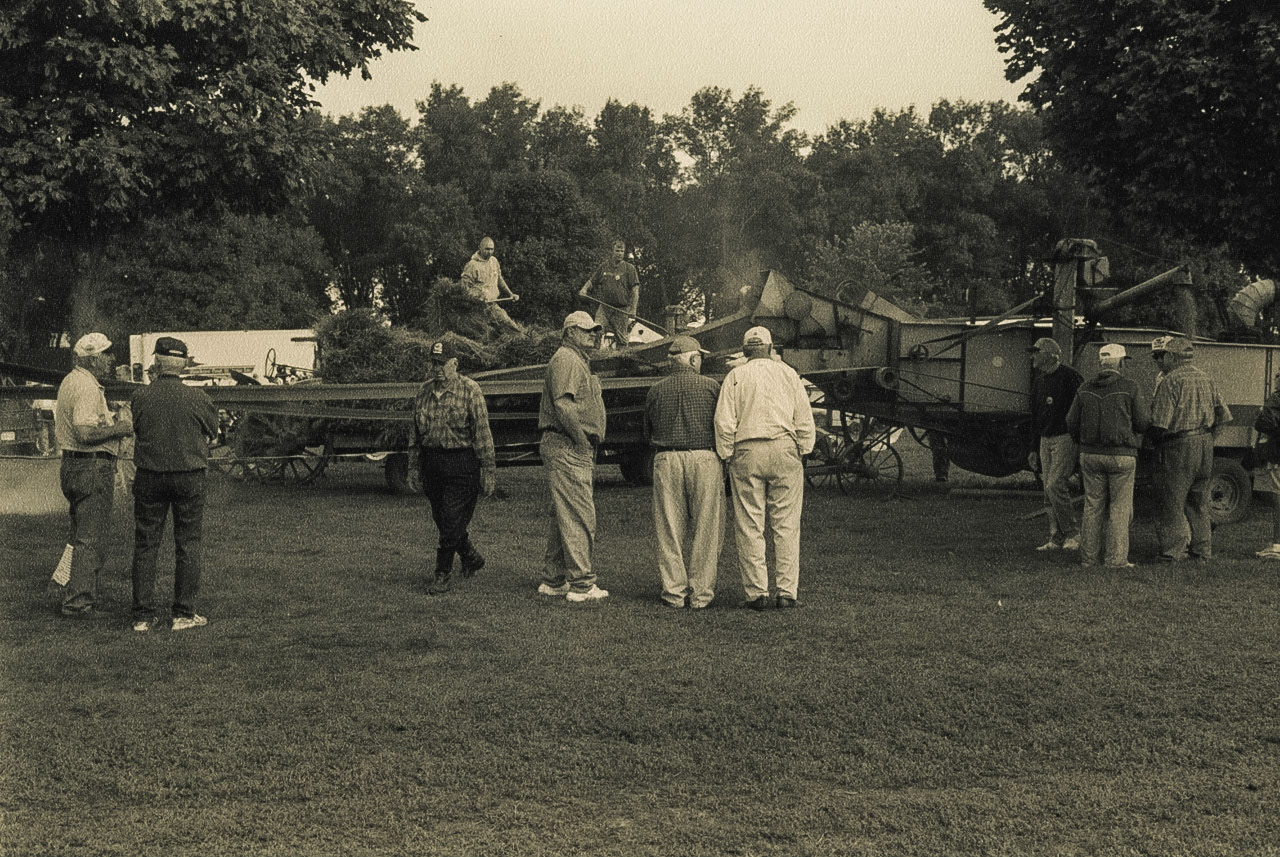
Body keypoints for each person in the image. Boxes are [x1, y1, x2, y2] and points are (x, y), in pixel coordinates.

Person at [714, 326, 816, 610]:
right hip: (784, 448)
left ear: (746, 351)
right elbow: (804, 417)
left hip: (748, 448)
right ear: (771, 349)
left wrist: (727, 454)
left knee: (749, 524)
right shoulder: (788, 374)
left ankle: (757, 593)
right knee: (786, 524)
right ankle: (786, 592)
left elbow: (724, 422)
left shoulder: (736, 376)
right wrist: (804, 448)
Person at [128, 337, 220, 631]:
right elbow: (213, 432)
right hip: (189, 475)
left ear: (156, 362)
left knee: (146, 544)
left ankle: (142, 616)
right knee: (188, 544)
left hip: (150, 475)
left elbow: (137, 429)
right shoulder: (199, 398)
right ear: (183, 364)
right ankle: (183, 613)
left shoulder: (140, 397)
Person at [53, 332, 133, 619]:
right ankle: (78, 603)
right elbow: (85, 433)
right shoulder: (87, 387)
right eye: (108, 354)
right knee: (91, 538)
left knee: (78, 536)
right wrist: (120, 428)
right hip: (91, 466)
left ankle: (69, 589)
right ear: (94, 358)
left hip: (73, 465)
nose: (112, 360)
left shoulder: (70, 381)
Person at [643, 335, 724, 609]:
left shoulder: (655, 390)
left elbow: (647, 430)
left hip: (666, 458)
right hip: (704, 457)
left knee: (669, 528)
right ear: (693, 359)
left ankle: (674, 592)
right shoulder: (711, 387)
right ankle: (701, 594)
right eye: (698, 357)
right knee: (707, 528)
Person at [412, 339, 497, 595]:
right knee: (442, 519)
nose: (437, 368)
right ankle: (470, 556)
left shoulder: (470, 390)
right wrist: (412, 467)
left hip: (461, 464)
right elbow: (414, 434)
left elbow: (482, 433)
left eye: (442, 363)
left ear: (455, 364)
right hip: (432, 463)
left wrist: (489, 469)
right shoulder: (423, 392)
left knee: (451, 519)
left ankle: (442, 572)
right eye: (433, 363)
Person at [537, 311, 609, 602]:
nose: (593, 335)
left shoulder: (576, 360)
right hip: (568, 444)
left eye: (595, 331)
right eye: (586, 330)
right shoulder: (566, 359)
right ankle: (581, 585)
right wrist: (581, 442)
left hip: (566, 444)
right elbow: (563, 406)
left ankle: (554, 580)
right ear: (569, 333)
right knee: (580, 514)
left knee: (564, 514)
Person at [1065, 343, 1151, 568]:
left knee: (1092, 506)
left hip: (1090, 455)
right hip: (1122, 456)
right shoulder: (1130, 387)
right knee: (1119, 508)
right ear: (1121, 363)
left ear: (1100, 363)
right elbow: (1142, 422)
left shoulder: (1084, 388)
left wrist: (1081, 441)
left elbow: (1071, 421)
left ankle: (1089, 558)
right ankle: (1116, 559)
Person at [1148, 335, 1230, 562]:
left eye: (1160, 355)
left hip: (1178, 444)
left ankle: (1172, 552)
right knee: (1199, 502)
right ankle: (1202, 551)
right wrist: (1209, 438)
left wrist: (1150, 443)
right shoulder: (1206, 378)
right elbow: (1224, 414)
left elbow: (1159, 423)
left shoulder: (1170, 381)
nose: (1158, 360)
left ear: (1172, 356)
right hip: (1204, 443)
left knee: (1171, 501)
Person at [1028, 337, 1083, 552]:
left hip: (1064, 437)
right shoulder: (1039, 381)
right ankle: (1055, 537)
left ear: (1050, 355)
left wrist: (1077, 438)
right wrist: (1033, 448)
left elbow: (1081, 409)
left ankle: (1073, 533)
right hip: (1045, 438)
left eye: (1037, 351)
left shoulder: (1070, 376)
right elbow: (1034, 417)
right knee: (1047, 490)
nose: (1033, 356)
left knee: (1054, 484)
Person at [579, 239, 639, 349]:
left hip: (621, 310)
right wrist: (584, 289)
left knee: (621, 339)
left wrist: (633, 309)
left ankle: (622, 360)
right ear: (612, 251)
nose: (619, 254)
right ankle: (595, 354)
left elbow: (635, 290)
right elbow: (592, 281)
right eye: (617, 251)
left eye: (622, 251)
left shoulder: (629, 269)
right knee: (597, 330)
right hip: (605, 307)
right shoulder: (604, 267)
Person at [460, 236, 522, 333]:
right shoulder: (472, 265)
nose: (489, 252)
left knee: (510, 326)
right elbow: (465, 287)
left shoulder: (494, 261)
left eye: (492, 249)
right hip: (477, 308)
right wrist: (478, 297)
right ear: (480, 248)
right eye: (487, 249)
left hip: (492, 305)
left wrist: (511, 294)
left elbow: (499, 279)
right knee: (484, 334)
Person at [1251, 372, 1280, 560]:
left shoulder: (1277, 397)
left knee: (1278, 496)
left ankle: (1277, 546)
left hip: (1277, 452)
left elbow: (1264, 422)